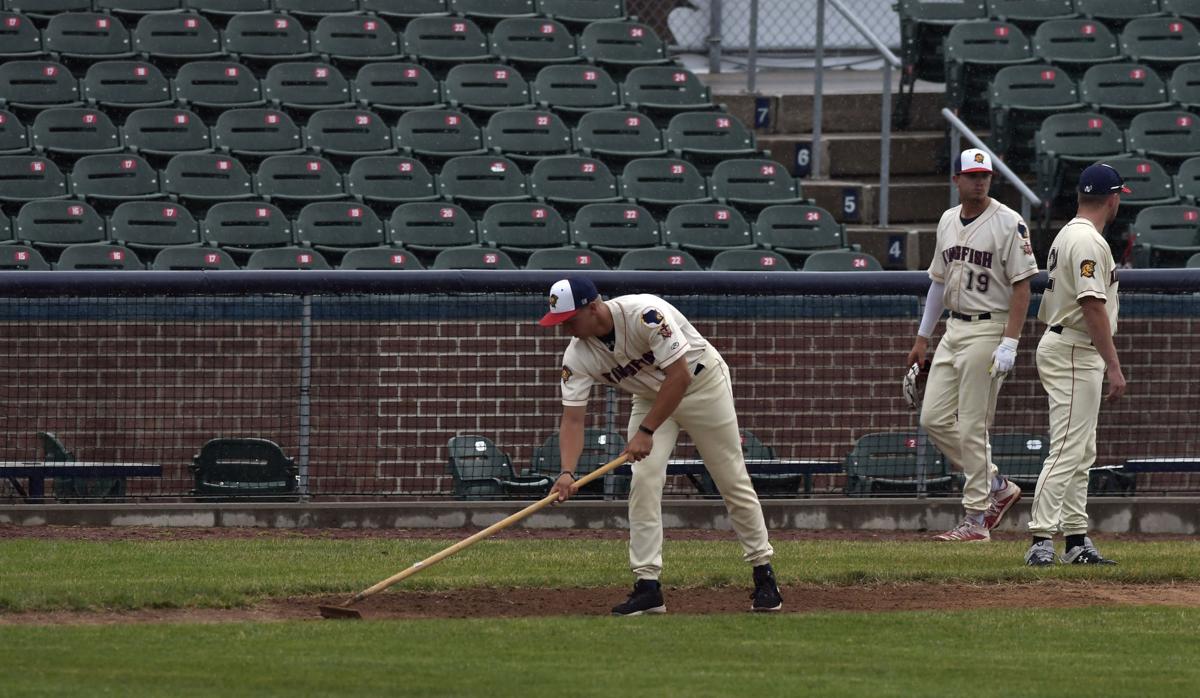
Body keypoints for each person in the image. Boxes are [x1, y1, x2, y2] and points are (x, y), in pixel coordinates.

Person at [539, 276, 782, 615]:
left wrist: (646, 430)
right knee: (644, 480)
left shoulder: (645, 314)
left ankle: (763, 573)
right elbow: (573, 419)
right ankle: (648, 585)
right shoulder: (578, 356)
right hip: (651, 398)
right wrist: (566, 472)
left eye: (569, 320)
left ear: (593, 307)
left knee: (730, 478)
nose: (565, 329)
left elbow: (679, 376)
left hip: (702, 384)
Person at [906, 148, 1039, 542]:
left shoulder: (1009, 222)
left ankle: (976, 519)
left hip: (989, 328)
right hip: (953, 330)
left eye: (985, 175)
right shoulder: (948, 220)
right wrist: (922, 337)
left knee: (972, 426)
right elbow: (938, 281)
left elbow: (1022, 286)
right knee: (933, 418)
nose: (979, 181)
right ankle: (997, 486)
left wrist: (1010, 342)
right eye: (972, 175)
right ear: (957, 180)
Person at [1024, 163, 1128, 566]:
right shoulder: (1086, 240)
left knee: (1082, 449)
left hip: (1071, 346)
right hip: (1073, 347)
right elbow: (1091, 304)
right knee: (1069, 446)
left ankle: (1076, 539)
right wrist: (1114, 365)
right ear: (1113, 198)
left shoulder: (1070, 232)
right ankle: (1040, 538)